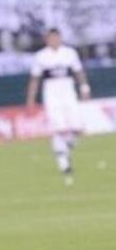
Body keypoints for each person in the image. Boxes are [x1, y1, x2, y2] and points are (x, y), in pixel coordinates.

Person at [27, 28, 91, 185]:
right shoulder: (41, 56)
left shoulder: (69, 53)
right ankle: (63, 163)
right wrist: (31, 99)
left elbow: (78, 72)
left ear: (60, 38)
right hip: (52, 94)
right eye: (51, 38)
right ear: (47, 40)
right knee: (58, 128)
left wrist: (84, 87)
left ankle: (66, 148)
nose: (54, 40)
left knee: (77, 128)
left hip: (68, 91)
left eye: (56, 37)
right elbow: (35, 78)